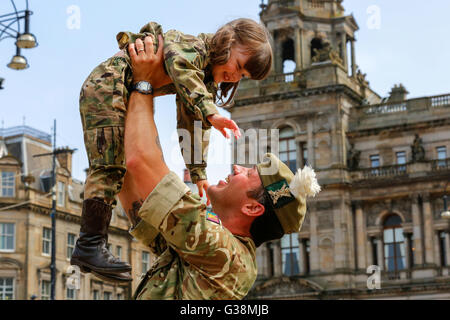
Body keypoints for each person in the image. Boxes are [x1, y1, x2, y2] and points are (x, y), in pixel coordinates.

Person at [70, 18, 273, 282]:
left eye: (242, 77)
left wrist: (198, 172)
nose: (235, 76)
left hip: (120, 90)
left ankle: (91, 245)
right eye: (239, 66)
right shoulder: (194, 48)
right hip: (107, 85)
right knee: (108, 165)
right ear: (229, 43)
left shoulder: (204, 79)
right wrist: (212, 112)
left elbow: (192, 125)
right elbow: (182, 70)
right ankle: (89, 245)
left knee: (115, 167)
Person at [120, 36, 321, 299]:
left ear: (252, 207)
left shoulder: (224, 252)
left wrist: (143, 81)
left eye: (249, 174)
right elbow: (131, 181)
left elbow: (140, 160)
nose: (237, 167)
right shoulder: (210, 245)